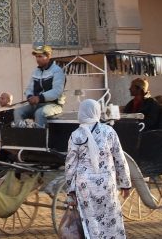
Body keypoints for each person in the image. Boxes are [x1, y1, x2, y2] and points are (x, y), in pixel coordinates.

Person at [63, 99, 132, 239]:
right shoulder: (109, 132)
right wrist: (126, 184)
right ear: (97, 111)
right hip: (107, 184)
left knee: (91, 221)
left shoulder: (76, 135)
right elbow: (120, 159)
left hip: (84, 186)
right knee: (110, 220)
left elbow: (70, 165)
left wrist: (70, 190)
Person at [14, 45, 66, 128]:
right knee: (17, 112)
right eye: (36, 57)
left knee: (39, 113)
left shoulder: (57, 71)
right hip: (37, 105)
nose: (37, 59)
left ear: (49, 56)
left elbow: (57, 91)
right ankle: (22, 136)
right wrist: (30, 96)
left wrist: (39, 98)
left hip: (54, 105)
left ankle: (40, 139)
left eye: (40, 56)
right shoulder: (36, 72)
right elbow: (29, 88)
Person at [0, 92, 15, 163]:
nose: (0, 100)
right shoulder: (1, 113)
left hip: (14, 145)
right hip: (5, 145)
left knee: (12, 163)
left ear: (8, 100)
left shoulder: (14, 112)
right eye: (0, 98)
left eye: (2, 98)